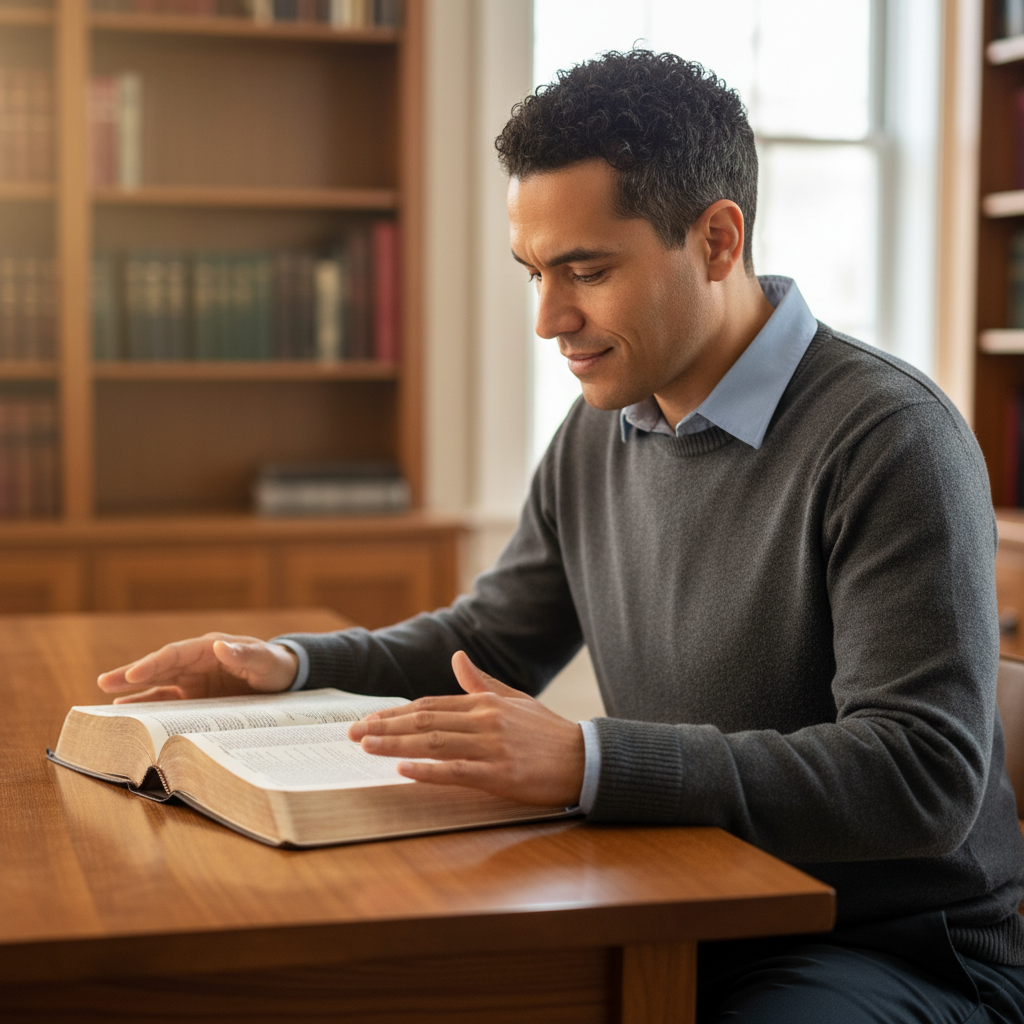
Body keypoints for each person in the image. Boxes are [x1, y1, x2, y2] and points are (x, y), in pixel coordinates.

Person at [98, 51, 1024, 1022]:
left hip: (890, 951)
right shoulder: (598, 428)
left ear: (715, 240)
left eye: (585, 270)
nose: (550, 318)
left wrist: (589, 759)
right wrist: (285, 664)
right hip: (677, 901)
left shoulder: (889, 440)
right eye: (535, 272)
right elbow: (490, 644)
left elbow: (922, 772)